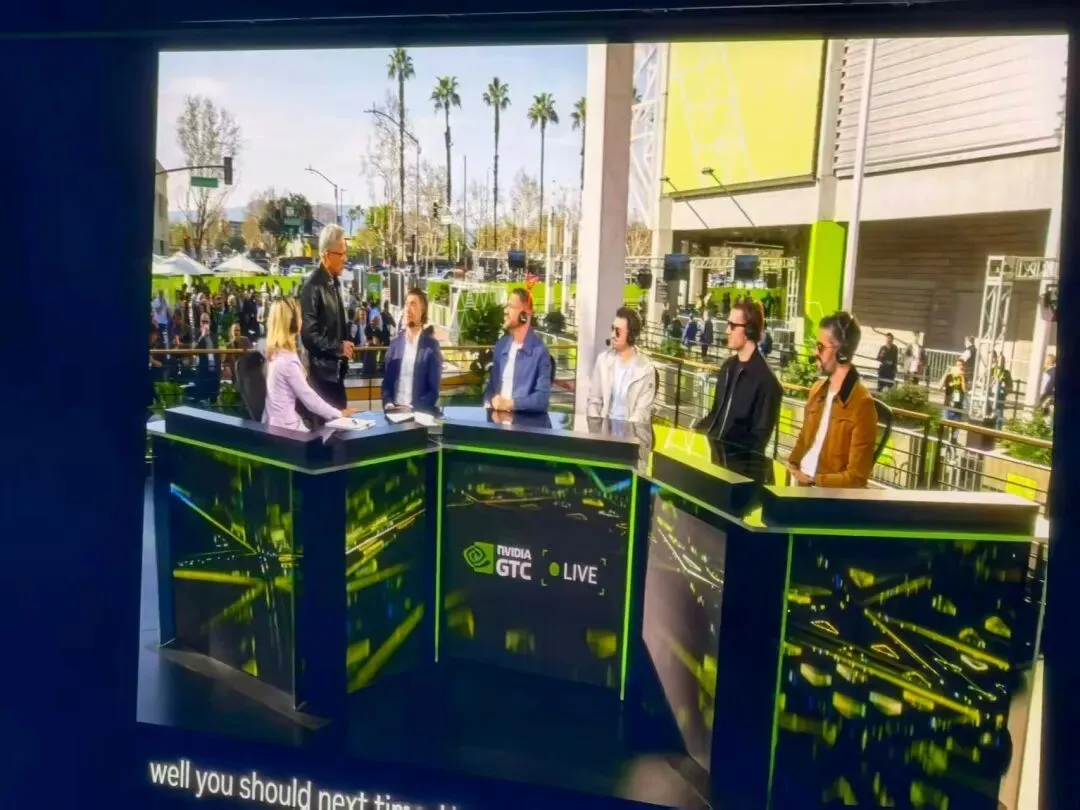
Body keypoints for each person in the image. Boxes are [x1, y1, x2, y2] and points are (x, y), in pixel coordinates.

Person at [787, 312, 878, 488]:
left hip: (824, 494)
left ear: (841, 352)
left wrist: (814, 480)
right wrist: (791, 466)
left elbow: (856, 478)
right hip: (800, 486)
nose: (815, 352)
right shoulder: (816, 391)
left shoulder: (862, 406)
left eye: (820, 347)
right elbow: (803, 439)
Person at [696, 298, 782, 455]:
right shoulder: (727, 367)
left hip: (736, 464)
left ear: (749, 330)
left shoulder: (767, 382)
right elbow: (716, 415)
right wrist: (695, 433)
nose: (727, 331)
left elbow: (758, 441)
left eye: (733, 326)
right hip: (713, 456)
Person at [263, 298, 356, 432]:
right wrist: (338, 414)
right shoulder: (287, 361)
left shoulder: (275, 355)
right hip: (287, 431)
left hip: (276, 425)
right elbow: (309, 399)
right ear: (293, 322)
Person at [299, 224, 354, 409]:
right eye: (342, 253)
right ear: (327, 255)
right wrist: (338, 347)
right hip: (321, 379)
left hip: (336, 375)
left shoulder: (334, 282)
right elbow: (309, 336)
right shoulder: (312, 286)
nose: (345, 258)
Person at [484, 288, 553, 413]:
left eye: (511, 306)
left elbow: (542, 400)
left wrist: (511, 404)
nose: (505, 311)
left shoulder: (540, 352)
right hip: (496, 421)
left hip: (523, 423)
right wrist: (489, 402)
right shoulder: (501, 346)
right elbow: (491, 388)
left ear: (525, 314)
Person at [586, 306, 657, 423]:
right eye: (612, 329)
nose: (612, 335)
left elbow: (642, 412)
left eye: (618, 331)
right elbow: (594, 401)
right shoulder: (603, 361)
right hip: (604, 430)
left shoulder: (646, 369)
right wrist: (596, 425)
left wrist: (626, 431)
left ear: (631, 335)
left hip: (631, 431)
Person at [383, 288, 443, 412]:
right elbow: (387, 384)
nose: (408, 309)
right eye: (406, 304)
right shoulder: (395, 345)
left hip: (418, 413)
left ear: (422, 310)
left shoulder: (431, 346)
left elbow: (433, 391)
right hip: (394, 412)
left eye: (413, 304)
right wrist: (388, 404)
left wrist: (415, 410)